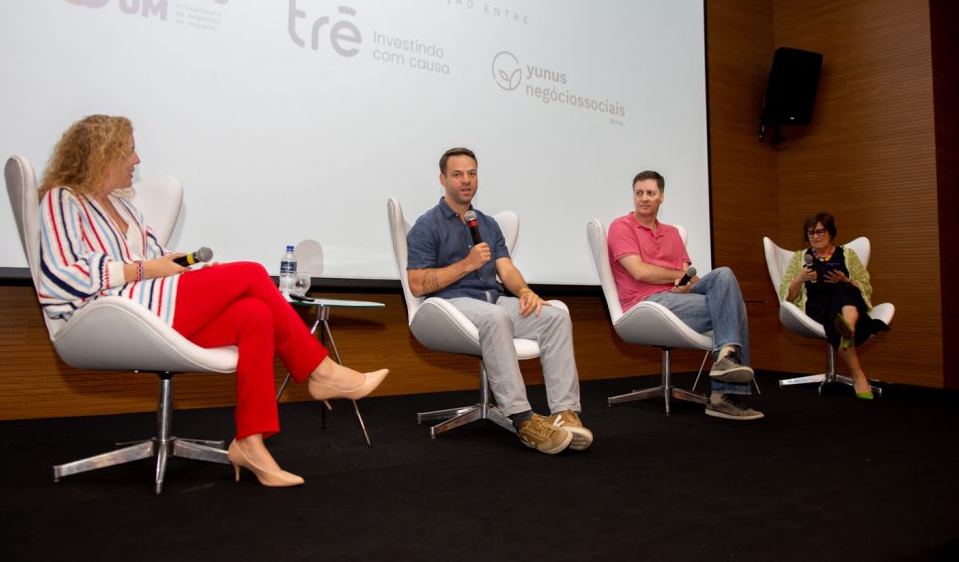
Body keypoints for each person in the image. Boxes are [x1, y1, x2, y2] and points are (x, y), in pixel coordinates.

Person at [37, 114, 388, 487]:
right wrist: (143, 270)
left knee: (254, 314)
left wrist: (184, 269)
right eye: (129, 151)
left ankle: (251, 443)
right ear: (101, 154)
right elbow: (59, 276)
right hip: (112, 315)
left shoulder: (123, 208)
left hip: (154, 307)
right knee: (251, 273)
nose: (136, 161)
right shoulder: (62, 200)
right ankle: (321, 372)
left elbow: (159, 261)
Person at [405, 147, 592, 455]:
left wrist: (525, 292)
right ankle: (523, 419)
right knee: (496, 318)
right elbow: (416, 284)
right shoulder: (428, 225)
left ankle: (565, 412)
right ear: (443, 179)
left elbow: (506, 269)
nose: (466, 180)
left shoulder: (487, 224)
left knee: (555, 315)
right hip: (450, 305)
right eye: (457, 174)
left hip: (493, 300)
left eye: (472, 173)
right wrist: (466, 264)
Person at [607, 170, 764, 420]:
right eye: (639, 193)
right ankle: (722, 395)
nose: (644, 198)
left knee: (724, 275)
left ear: (662, 197)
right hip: (646, 304)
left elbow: (686, 276)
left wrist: (687, 284)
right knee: (735, 308)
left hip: (677, 298)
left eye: (650, 193)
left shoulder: (671, 233)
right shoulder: (621, 226)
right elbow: (639, 272)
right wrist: (676, 278)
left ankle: (725, 357)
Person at [778, 212, 889, 400]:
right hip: (817, 309)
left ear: (831, 233)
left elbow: (865, 285)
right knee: (839, 299)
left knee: (843, 288)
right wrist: (800, 278)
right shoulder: (799, 258)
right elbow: (787, 297)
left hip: (845, 306)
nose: (816, 236)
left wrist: (845, 279)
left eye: (820, 232)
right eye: (811, 233)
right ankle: (855, 360)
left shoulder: (847, 254)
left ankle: (848, 328)